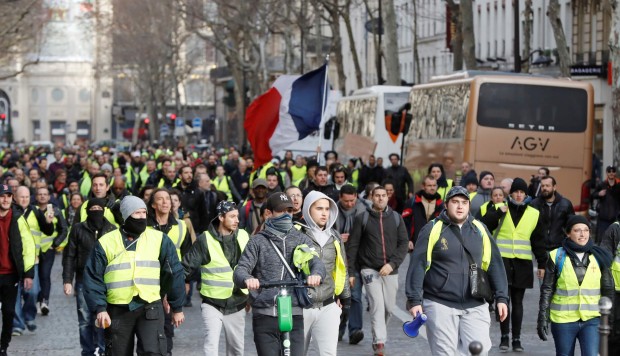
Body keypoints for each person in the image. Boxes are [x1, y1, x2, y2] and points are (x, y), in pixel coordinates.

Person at [406, 186, 509, 356]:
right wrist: (414, 300)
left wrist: (502, 298)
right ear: (446, 205)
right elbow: (417, 265)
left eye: (464, 202)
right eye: (455, 202)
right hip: (440, 303)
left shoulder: (480, 229)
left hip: (476, 303)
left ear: (469, 205)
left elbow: (494, 264)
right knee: (445, 353)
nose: (460, 206)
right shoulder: (432, 229)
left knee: (480, 351)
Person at [83, 196, 186, 355]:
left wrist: (176, 306)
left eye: (144, 213)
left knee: (153, 351)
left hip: (150, 305)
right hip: (117, 308)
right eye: (137, 213)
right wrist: (100, 308)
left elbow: (174, 272)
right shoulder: (106, 242)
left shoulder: (159, 239)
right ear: (125, 216)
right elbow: (93, 277)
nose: (142, 217)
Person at [232, 193, 326, 356]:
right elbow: (241, 269)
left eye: (289, 211)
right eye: (281, 211)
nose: (287, 215)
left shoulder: (301, 239)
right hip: (265, 313)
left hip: (294, 312)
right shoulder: (257, 241)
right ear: (268, 213)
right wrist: (248, 279)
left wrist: (316, 274)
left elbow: (315, 262)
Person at [481, 177, 545, 352]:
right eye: (516, 191)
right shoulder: (500, 208)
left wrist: (542, 264)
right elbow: (483, 224)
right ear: (511, 193)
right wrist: (499, 213)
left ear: (525, 194)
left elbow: (539, 241)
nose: (518, 195)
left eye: (522, 192)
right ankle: (504, 337)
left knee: (518, 301)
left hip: (522, 263)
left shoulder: (534, 213)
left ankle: (516, 339)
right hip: (502, 262)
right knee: (504, 299)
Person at [346, 186, 409, 355]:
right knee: (377, 305)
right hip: (369, 270)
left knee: (389, 307)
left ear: (388, 198)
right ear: (371, 198)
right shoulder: (362, 218)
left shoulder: (396, 218)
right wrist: (351, 272)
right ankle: (379, 342)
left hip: (391, 270)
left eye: (384, 195)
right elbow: (353, 246)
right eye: (377, 196)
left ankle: (379, 334)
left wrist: (392, 264)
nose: (381, 198)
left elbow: (404, 244)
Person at [538, 215, 613, 356]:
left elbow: (608, 289)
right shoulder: (556, 256)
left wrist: (609, 318)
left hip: (592, 319)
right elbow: (547, 289)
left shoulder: (599, 256)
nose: (582, 234)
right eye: (577, 230)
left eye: (586, 230)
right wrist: (542, 317)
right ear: (568, 233)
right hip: (563, 320)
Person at [182, 201, 249, 356]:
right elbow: (186, 267)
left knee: (237, 350)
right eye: (232, 216)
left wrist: (252, 296)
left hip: (237, 302)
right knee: (211, 346)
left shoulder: (244, 235)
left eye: (237, 216)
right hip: (212, 302)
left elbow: (255, 265)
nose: (237, 220)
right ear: (221, 217)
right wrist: (175, 296)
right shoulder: (205, 239)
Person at [62, 198, 117, 356]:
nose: (96, 211)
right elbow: (70, 256)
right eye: (92, 208)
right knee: (85, 320)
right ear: (87, 211)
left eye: (99, 208)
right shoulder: (78, 229)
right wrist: (67, 280)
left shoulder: (112, 230)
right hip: (83, 280)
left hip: (106, 280)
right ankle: (87, 351)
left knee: (103, 317)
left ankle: (102, 349)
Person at [300, 191, 350, 355]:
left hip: (328, 305)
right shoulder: (297, 234)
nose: (324, 213)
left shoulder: (334, 236)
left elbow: (342, 267)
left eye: (327, 209)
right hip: (301, 306)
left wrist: (345, 298)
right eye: (319, 208)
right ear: (308, 209)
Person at [146, 188, 192, 355]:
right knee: (150, 328)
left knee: (167, 328)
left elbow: (187, 255)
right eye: (160, 199)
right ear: (152, 204)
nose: (165, 202)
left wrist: (185, 281)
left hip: (173, 279)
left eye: (167, 199)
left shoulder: (181, 226)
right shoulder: (144, 227)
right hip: (150, 282)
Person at [0, 184, 35, 356]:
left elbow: (28, 246)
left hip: (10, 274)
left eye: (8, 196)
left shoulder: (18, 217)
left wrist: (28, 273)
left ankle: (3, 346)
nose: (5, 199)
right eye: (2, 196)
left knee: (8, 312)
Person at [335, 184, 366, 344]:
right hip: (336, 259)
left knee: (355, 296)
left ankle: (355, 330)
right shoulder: (332, 211)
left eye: (352, 200)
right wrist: (337, 237)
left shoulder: (363, 210)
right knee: (339, 296)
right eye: (346, 201)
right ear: (340, 198)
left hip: (356, 259)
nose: (349, 204)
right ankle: (338, 328)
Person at [34, 186, 68, 316]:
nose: (42, 196)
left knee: (45, 275)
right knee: (36, 277)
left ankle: (44, 302)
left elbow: (64, 229)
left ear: (49, 197)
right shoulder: (32, 211)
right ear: (36, 196)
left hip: (48, 249)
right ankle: (37, 301)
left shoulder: (55, 211)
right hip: (34, 249)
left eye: (45, 194)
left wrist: (55, 243)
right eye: (40, 194)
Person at [530, 176, 575, 254]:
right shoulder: (534, 204)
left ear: (554, 187)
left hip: (560, 248)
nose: (544, 188)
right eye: (542, 186)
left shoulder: (565, 204)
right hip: (539, 248)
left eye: (547, 186)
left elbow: (572, 225)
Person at [402, 175, 443, 251]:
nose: (432, 188)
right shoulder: (412, 202)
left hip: (435, 246)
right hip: (415, 245)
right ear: (423, 186)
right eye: (429, 185)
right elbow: (404, 223)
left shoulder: (441, 204)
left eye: (434, 185)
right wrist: (407, 239)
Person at [594, 165, 620, 243]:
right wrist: (599, 194)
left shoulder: (619, 186)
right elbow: (592, 195)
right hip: (603, 219)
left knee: (614, 241)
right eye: (609, 171)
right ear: (606, 173)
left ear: (615, 173)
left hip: (615, 219)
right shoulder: (602, 184)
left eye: (613, 171)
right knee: (602, 241)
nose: (611, 173)